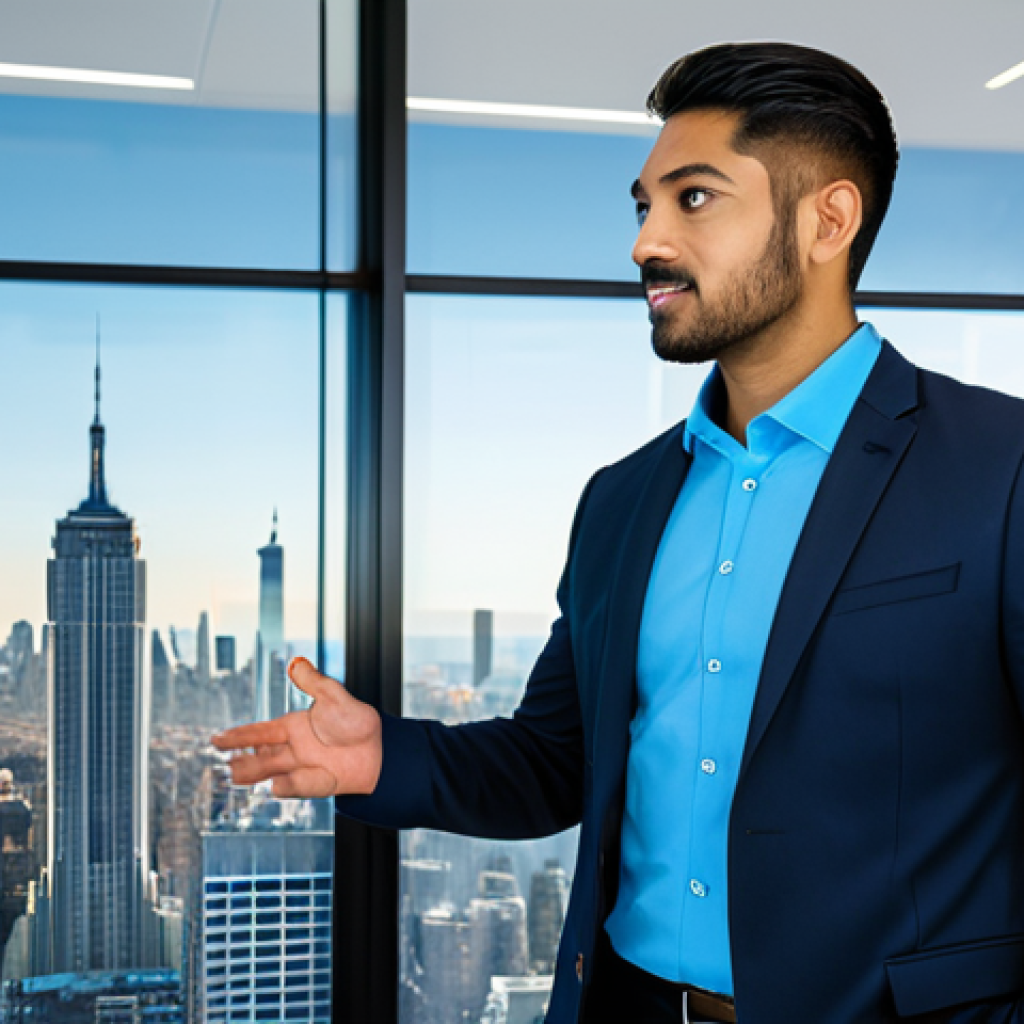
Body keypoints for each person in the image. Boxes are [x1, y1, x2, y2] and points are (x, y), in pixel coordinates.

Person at [214, 42, 1024, 1024]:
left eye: (692, 199)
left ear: (828, 219)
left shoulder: (997, 466)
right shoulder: (623, 498)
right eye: (642, 206)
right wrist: (384, 756)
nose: (646, 242)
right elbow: (555, 759)